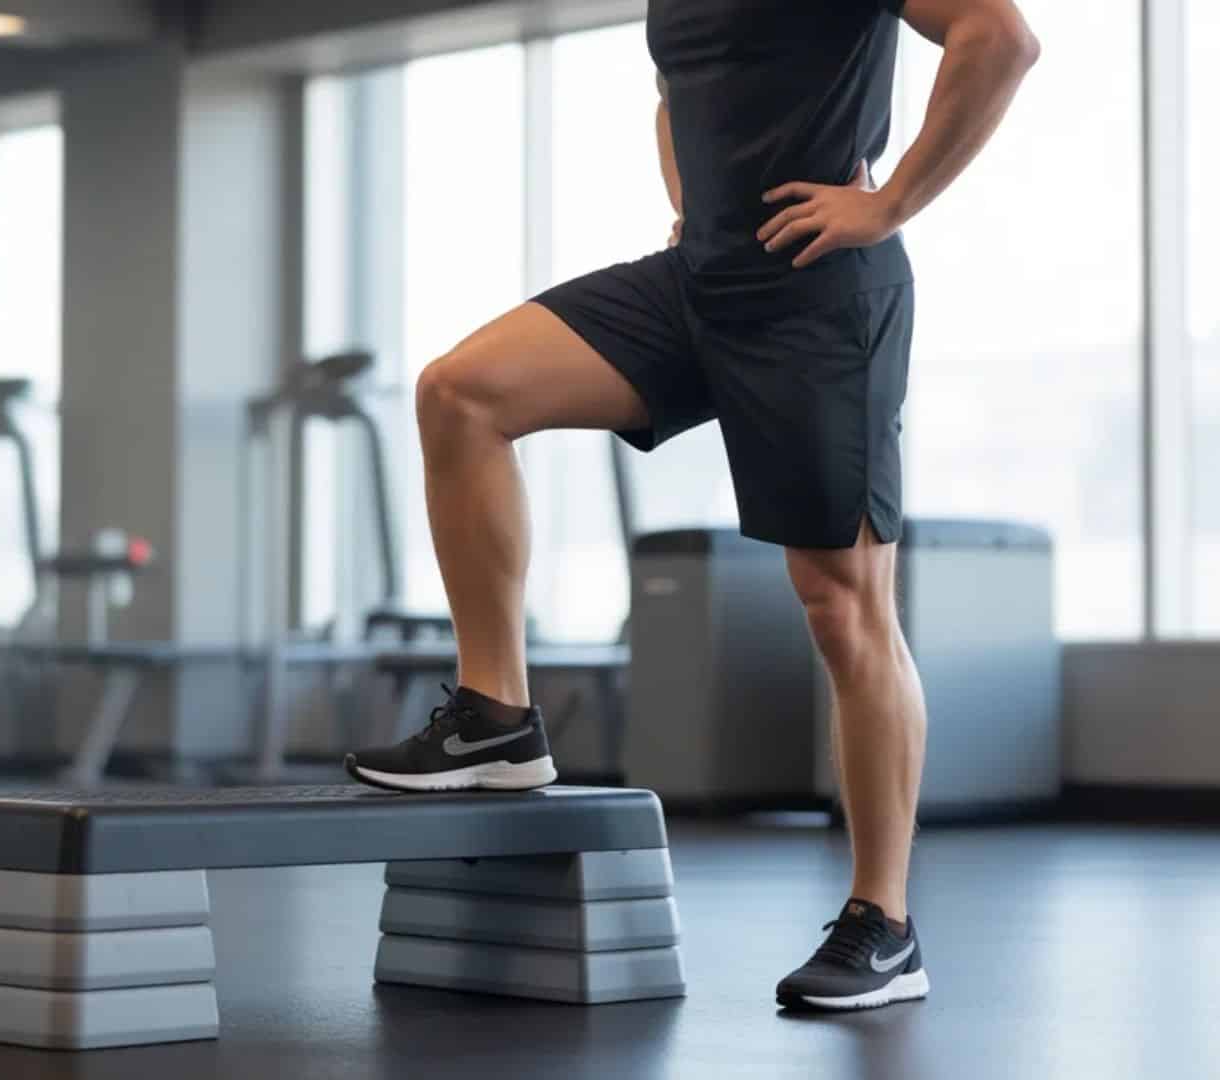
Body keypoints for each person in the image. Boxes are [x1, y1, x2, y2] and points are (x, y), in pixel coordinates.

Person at [344, 0, 1039, 1012]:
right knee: (461, 392)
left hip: (818, 289)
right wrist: (686, 199)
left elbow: (1000, 36)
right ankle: (497, 719)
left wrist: (887, 207)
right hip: (699, 279)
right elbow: (674, 97)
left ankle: (883, 925)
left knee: (841, 603)